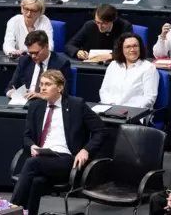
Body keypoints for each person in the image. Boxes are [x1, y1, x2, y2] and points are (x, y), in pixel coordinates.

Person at [10, 69, 105, 215]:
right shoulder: (35, 107)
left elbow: (100, 130)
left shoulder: (76, 105)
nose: (42, 88)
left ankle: (9, 210)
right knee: (36, 181)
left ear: (60, 88)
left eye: (47, 84)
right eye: (41, 84)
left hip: (67, 159)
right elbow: (26, 137)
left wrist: (86, 150)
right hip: (43, 158)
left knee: (31, 163)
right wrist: (32, 146)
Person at [99, 32, 159, 108]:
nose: (132, 50)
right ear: (121, 50)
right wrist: (111, 106)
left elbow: (149, 98)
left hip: (134, 114)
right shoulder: (113, 65)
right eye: (128, 47)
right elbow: (104, 91)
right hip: (110, 110)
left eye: (135, 46)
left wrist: (128, 111)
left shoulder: (148, 68)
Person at [5, 30, 73, 97]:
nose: (33, 56)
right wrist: (11, 93)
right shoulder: (24, 61)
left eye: (36, 53)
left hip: (47, 104)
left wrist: (40, 95)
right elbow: (11, 86)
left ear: (46, 46)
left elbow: (64, 93)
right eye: (30, 53)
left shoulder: (61, 64)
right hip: (25, 102)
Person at [65, 4, 133, 61]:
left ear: (113, 20)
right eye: (97, 22)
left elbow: (130, 50)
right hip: (92, 64)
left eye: (104, 23)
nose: (100, 27)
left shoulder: (125, 26)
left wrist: (111, 56)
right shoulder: (89, 25)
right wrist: (77, 52)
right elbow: (69, 45)